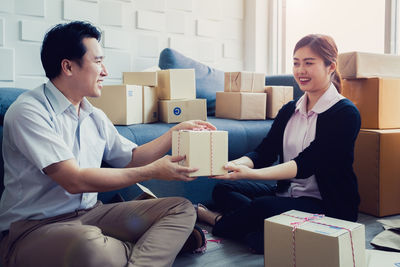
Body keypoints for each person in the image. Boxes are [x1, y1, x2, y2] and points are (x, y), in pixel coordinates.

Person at [0, 21, 216, 267]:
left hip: (92, 214)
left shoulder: (93, 114)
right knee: (89, 246)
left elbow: (132, 157)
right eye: (98, 61)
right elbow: (73, 180)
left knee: (182, 209)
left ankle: (130, 254)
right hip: (33, 228)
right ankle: (144, 249)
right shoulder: (28, 111)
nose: (105, 71)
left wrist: (173, 133)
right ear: (68, 67)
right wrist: (154, 171)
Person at [196, 34, 361, 254]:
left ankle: (218, 220)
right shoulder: (289, 110)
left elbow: (304, 165)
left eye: (308, 63)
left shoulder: (345, 113)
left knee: (263, 208)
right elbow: (264, 152)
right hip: (286, 193)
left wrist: (247, 174)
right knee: (223, 188)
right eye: (296, 63)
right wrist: (231, 165)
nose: (300, 70)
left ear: (330, 66)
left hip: (326, 205)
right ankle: (259, 227)